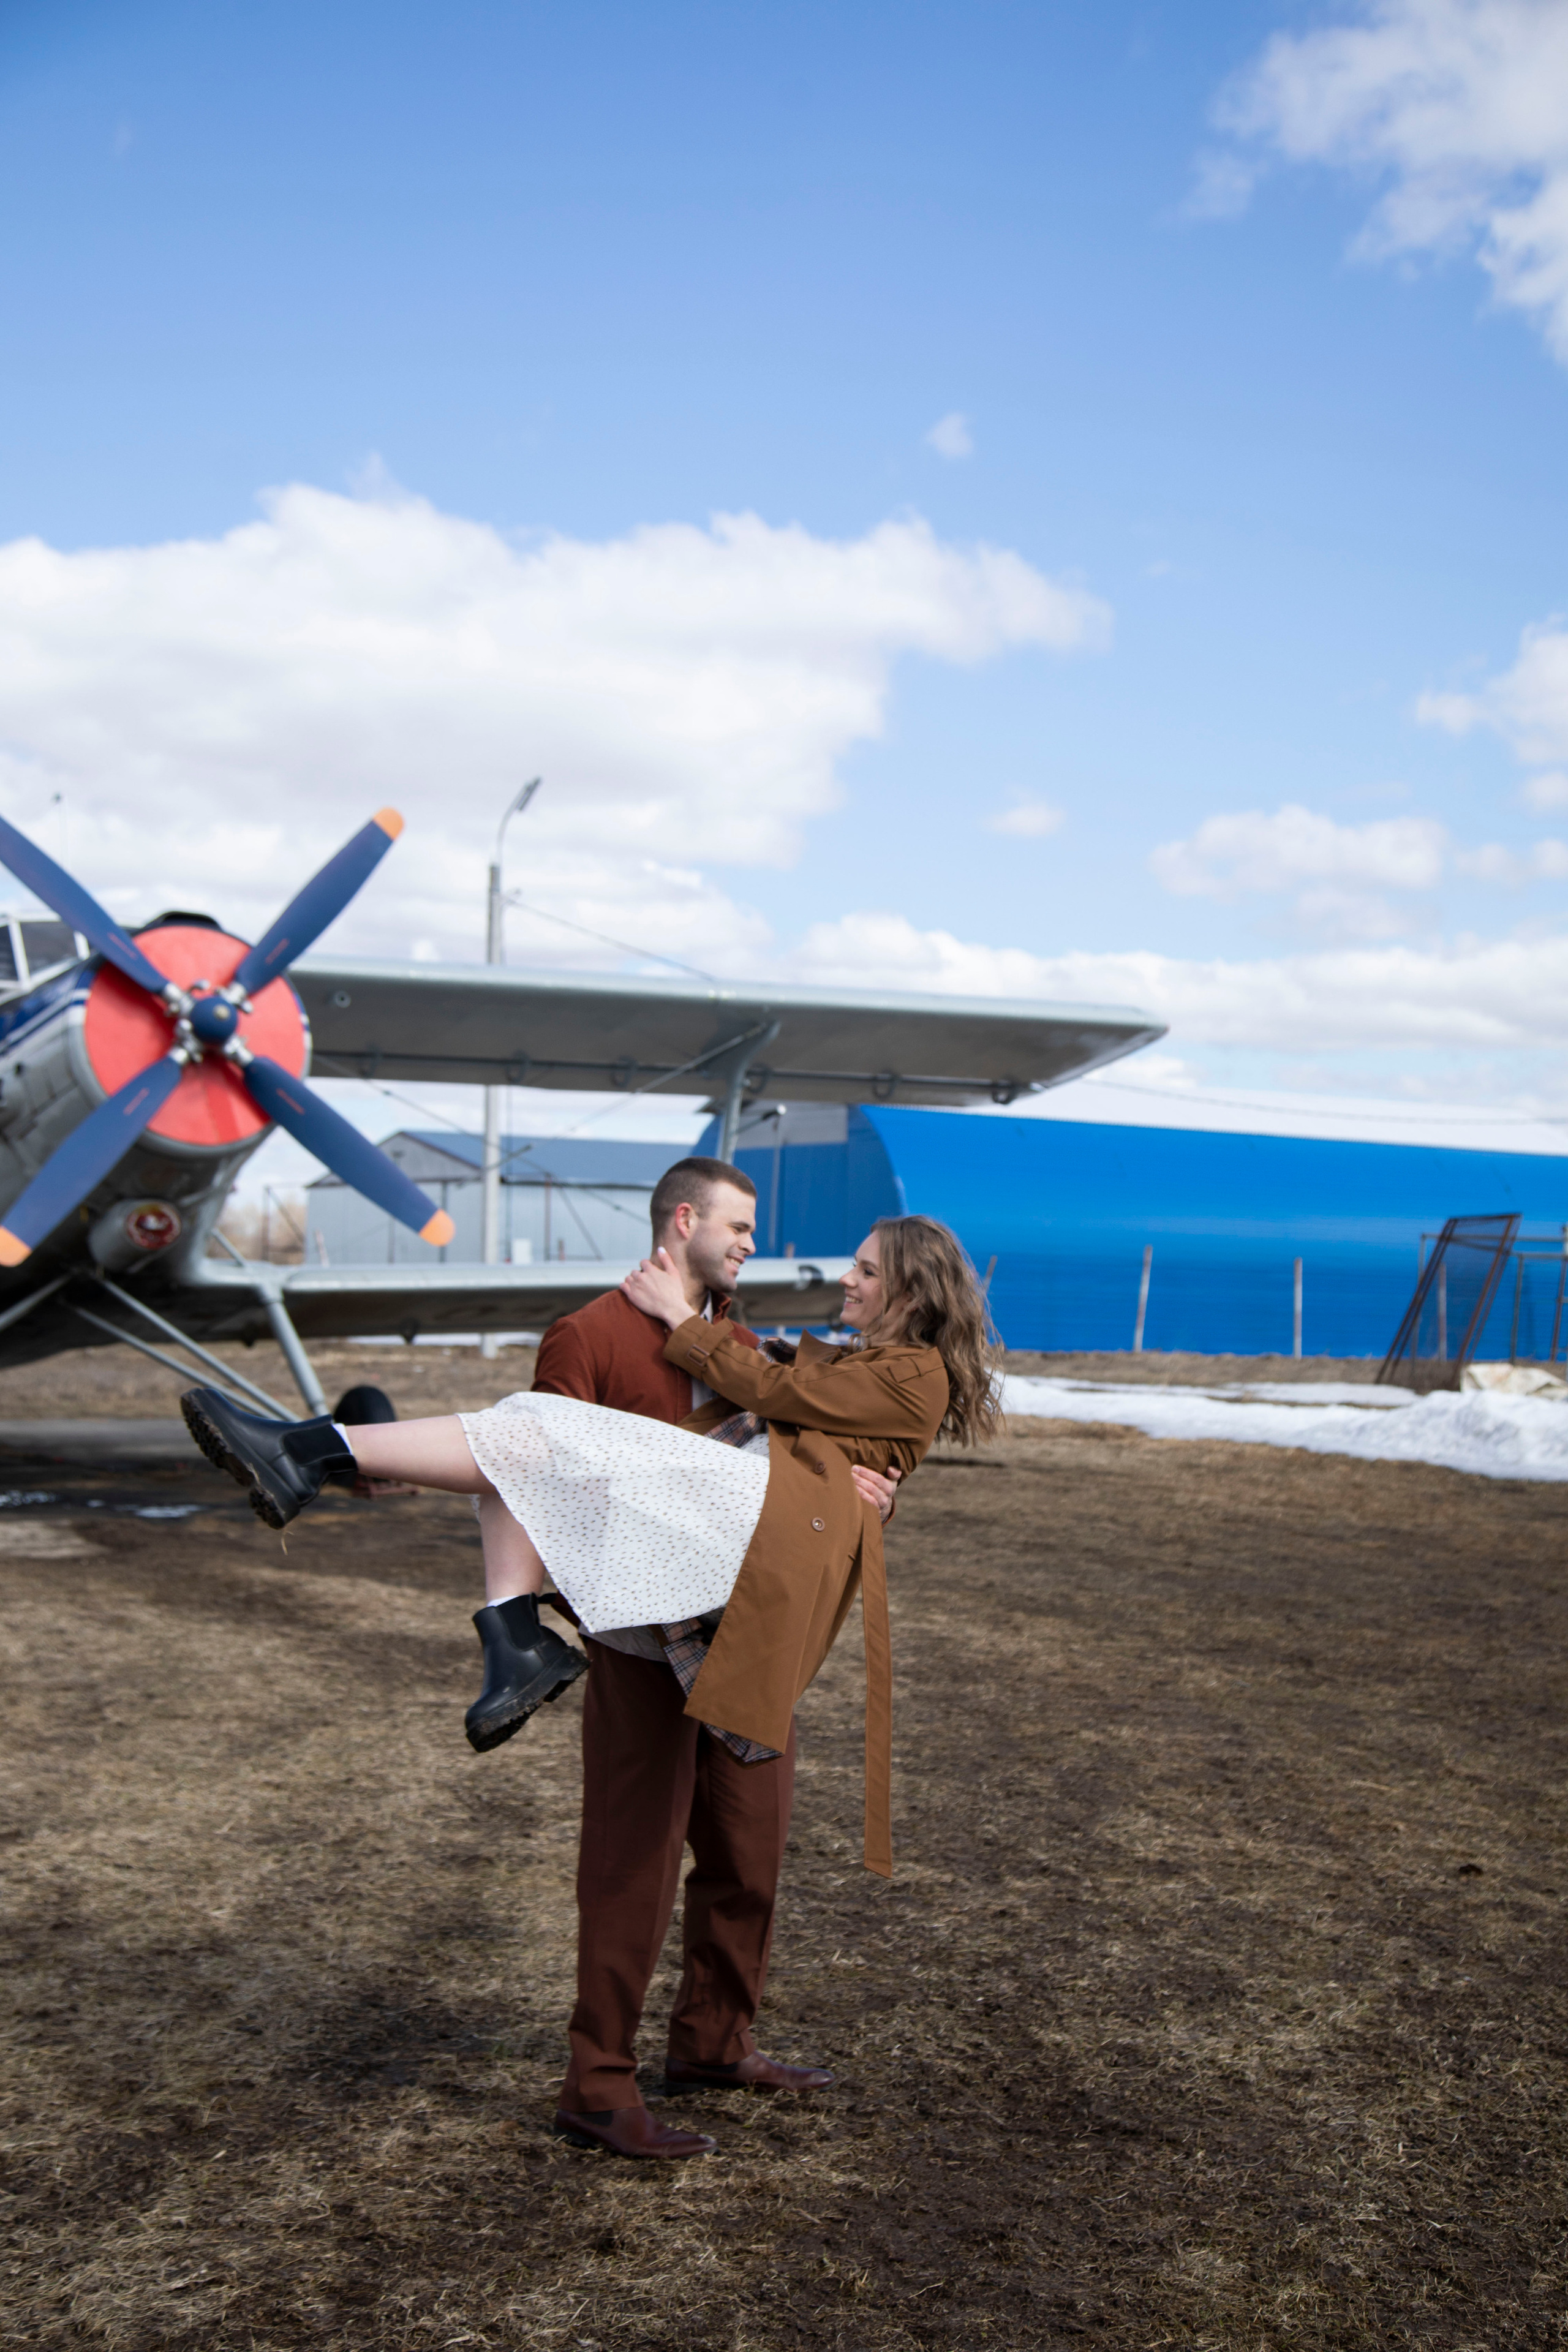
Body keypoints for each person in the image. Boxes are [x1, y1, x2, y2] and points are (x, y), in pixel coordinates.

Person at [181, 1183, 1000, 2159]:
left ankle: (713, 2044)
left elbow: (801, 1422)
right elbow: (530, 1476)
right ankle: (600, 2085)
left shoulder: (772, 1348)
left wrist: (868, 1491)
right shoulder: (594, 1334)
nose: (764, 1247)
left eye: (866, 1268)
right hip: (639, 1631)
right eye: (739, 1225)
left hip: (747, 1625)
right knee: (632, 1865)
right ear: (683, 1223)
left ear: (908, 1287)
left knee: (750, 1858)